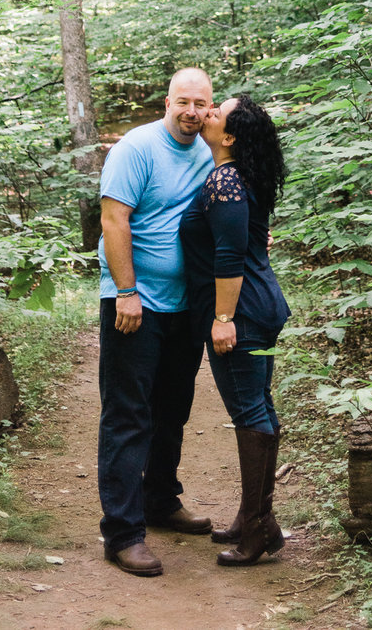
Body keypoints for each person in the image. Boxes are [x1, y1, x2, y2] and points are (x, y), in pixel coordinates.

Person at [97, 66, 215, 578]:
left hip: (185, 306)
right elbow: (112, 219)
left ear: (210, 109)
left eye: (201, 104)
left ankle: (161, 500)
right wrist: (126, 291)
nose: (191, 112)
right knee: (128, 416)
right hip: (134, 304)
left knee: (173, 409)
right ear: (167, 101)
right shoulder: (136, 148)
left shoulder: (210, 150)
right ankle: (122, 533)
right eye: (183, 102)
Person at [179, 93, 291, 567]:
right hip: (257, 305)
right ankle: (254, 517)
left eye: (216, 112)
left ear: (228, 136)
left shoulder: (225, 180)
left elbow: (228, 258)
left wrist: (222, 320)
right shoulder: (233, 176)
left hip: (241, 312)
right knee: (258, 407)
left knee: (249, 413)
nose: (206, 114)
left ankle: (259, 529)